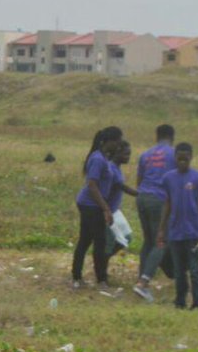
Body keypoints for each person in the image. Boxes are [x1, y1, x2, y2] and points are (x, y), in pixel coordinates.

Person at [158, 143, 198, 310]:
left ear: (191, 157)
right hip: (175, 232)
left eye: (186, 158)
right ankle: (180, 301)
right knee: (179, 271)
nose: (182, 162)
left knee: (195, 270)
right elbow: (167, 204)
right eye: (179, 158)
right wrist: (162, 229)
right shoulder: (168, 178)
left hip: (194, 232)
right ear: (175, 158)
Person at [71, 126, 122, 289]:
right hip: (90, 205)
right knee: (99, 242)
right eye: (118, 142)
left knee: (86, 240)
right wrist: (106, 208)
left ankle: (77, 276)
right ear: (110, 141)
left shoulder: (102, 158)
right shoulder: (98, 159)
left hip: (92, 204)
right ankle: (101, 280)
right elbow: (92, 185)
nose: (119, 145)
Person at [132, 125, 176, 301]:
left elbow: (139, 181)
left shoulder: (145, 154)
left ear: (156, 137)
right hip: (160, 200)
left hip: (142, 198)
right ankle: (143, 283)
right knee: (161, 241)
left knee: (148, 241)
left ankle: (140, 280)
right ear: (172, 137)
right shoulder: (174, 154)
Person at [105, 139, 137, 256]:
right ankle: (102, 264)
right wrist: (142, 194)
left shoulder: (116, 167)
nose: (128, 157)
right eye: (126, 154)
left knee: (127, 237)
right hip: (107, 211)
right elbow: (124, 187)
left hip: (115, 210)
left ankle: (104, 259)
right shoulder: (111, 168)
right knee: (111, 242)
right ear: (117, 153)